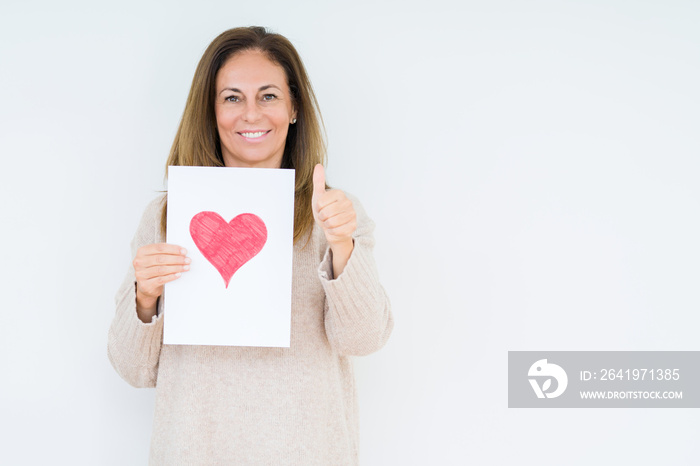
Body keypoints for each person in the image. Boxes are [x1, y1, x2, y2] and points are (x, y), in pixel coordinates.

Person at [107, 26, 393, 465]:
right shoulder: (166, 217)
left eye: (269, 96)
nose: (251, 114)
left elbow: (365, 338)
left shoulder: (334, 214)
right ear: (211, 109)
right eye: (232, 97)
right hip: (193, 451)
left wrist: (342, 247)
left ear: (294, 107)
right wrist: (146, 298)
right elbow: (134, 370)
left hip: (308, 450)